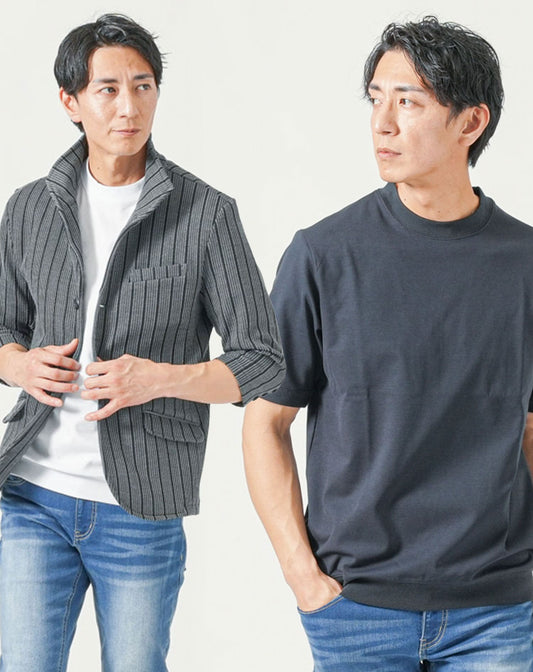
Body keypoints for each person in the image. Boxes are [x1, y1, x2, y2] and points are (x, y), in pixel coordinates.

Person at [243, 16, 533, 671]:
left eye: (409, 102)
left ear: (470, 122)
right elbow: (265, 421)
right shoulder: (322, 256)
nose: (382, 123)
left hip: (497, 610)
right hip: (355, 609)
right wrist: (303, 579)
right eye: (376, 99)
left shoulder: (524, 264)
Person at [0, 13, 284, 672]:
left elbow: (261, 360)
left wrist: (161, 379)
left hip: (141, 509)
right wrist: (17, 364)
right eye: (107, 89)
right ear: (70, 100)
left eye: (143, 86)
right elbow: (3, 327)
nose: (129, 107)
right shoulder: (29, 208)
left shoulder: (206, 214)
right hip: (32, 497)